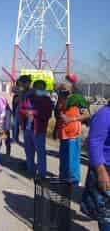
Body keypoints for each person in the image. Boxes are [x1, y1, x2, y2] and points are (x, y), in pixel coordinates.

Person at [81, 99, 110, 231]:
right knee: (105, 213)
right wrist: (101, 171)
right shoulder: (105, 114)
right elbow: (94, 143)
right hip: (105, 168)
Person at [55, 78, 90, 185]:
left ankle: (74, 180)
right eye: (61, 89)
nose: (62, 91)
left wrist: (72, 119)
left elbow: (87, 115)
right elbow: (58, 113)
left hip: (73, 133)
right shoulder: (61, 99)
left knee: (72, 158)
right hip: (63, 132)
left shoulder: (78, 99)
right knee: (63, 158)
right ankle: (63, 178)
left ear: (70, 88)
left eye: (64, 88)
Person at [20, 80, 53, 178]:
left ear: (44, 89)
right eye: (36, 87)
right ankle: (31, 170)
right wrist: (25, 113)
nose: (38, 89)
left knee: (40, 153)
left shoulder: (47, 100)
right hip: (28, 129)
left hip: (38, 130)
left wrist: (34, 113)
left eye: (40, 88)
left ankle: (42, 174)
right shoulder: (29, 98)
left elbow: (47, 114)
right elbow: (21, 108)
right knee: (29, 151)